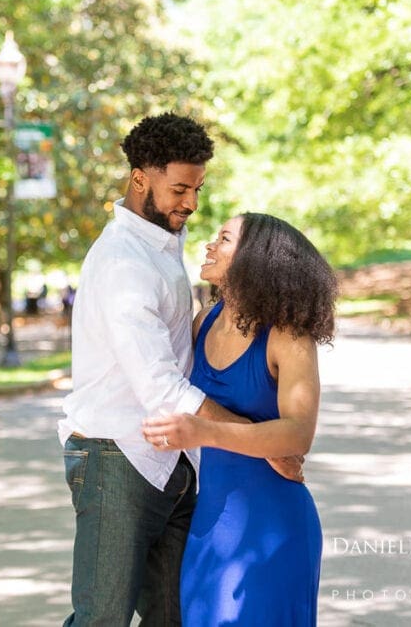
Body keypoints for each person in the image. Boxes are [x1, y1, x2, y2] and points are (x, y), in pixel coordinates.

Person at [58, 113, 301, 626]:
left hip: (171, 462)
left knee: (177, 616)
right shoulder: (124, 263)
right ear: (140, 178)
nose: (191, 202)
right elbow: (162, 388)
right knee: (101, 619)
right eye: (179, 189)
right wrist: (263, 439)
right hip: (115, 457)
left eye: (197, 188)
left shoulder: (162, 242)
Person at [142, 212, 337, 625]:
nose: (210, 246)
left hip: (272, 528)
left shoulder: (288, 335)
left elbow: (298, 434)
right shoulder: (203, 322)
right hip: (208, 531)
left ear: (255, 259)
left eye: (225, 239)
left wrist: (204, 431)